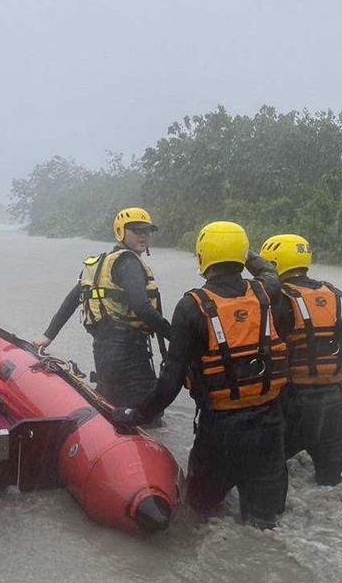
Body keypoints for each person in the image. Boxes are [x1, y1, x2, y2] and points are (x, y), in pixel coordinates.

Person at [114, 221, 296, 530]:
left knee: (200, 518)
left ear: (202, 257)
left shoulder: (191, 307)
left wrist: (136, 414)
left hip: (219, 435)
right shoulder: (268, 292)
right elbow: (269, 271)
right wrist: (243, 250)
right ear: (241, 256)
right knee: (264, 526)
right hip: (269, 431)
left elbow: (170, 383)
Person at [259, 234, 342, 485]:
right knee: (334, 488)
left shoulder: (278, 300)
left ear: (274, 264)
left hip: (291, 406)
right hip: (333, 405)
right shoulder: (336, 295)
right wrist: (338, 371)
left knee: (269, 478)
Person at [34, 207, 171, 408]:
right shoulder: (129, 263)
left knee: (112, 406)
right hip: (130, 355)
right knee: (149, 418)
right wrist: (176, 336)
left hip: (103, 353)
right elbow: (142, 308)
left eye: (147, 231)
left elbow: (73, 298)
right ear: (121, 232)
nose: (143, 235)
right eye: (136, 230)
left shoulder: (100, 264)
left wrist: (48, 337)